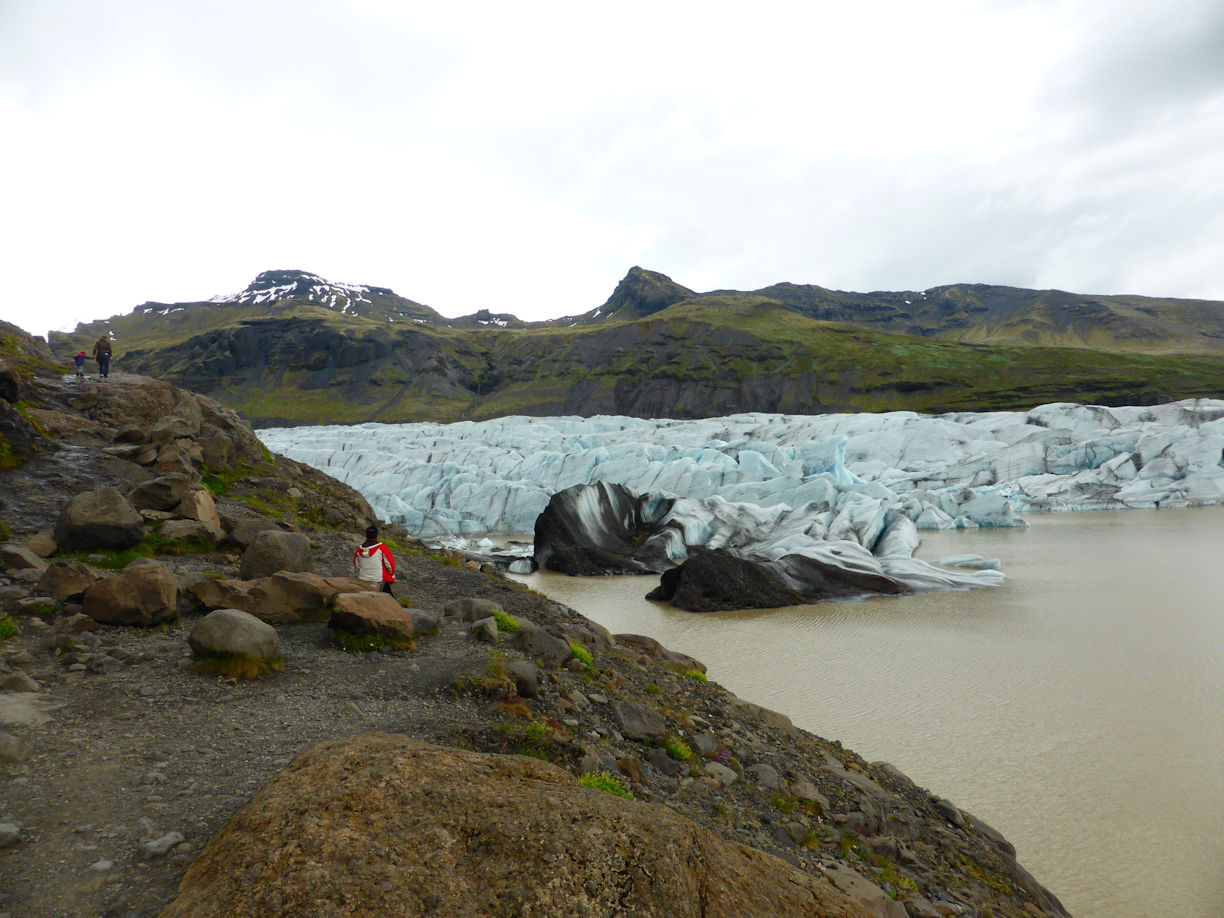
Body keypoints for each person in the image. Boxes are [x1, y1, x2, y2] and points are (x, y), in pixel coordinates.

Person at [352, 525, 395, 594]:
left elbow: (357, 566)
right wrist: (392, 576)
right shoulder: (382, 547)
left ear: (366, 535)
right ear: (376, 535)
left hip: (363, 578)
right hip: (377, 579)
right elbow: (390, 565)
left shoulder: (359, 549)